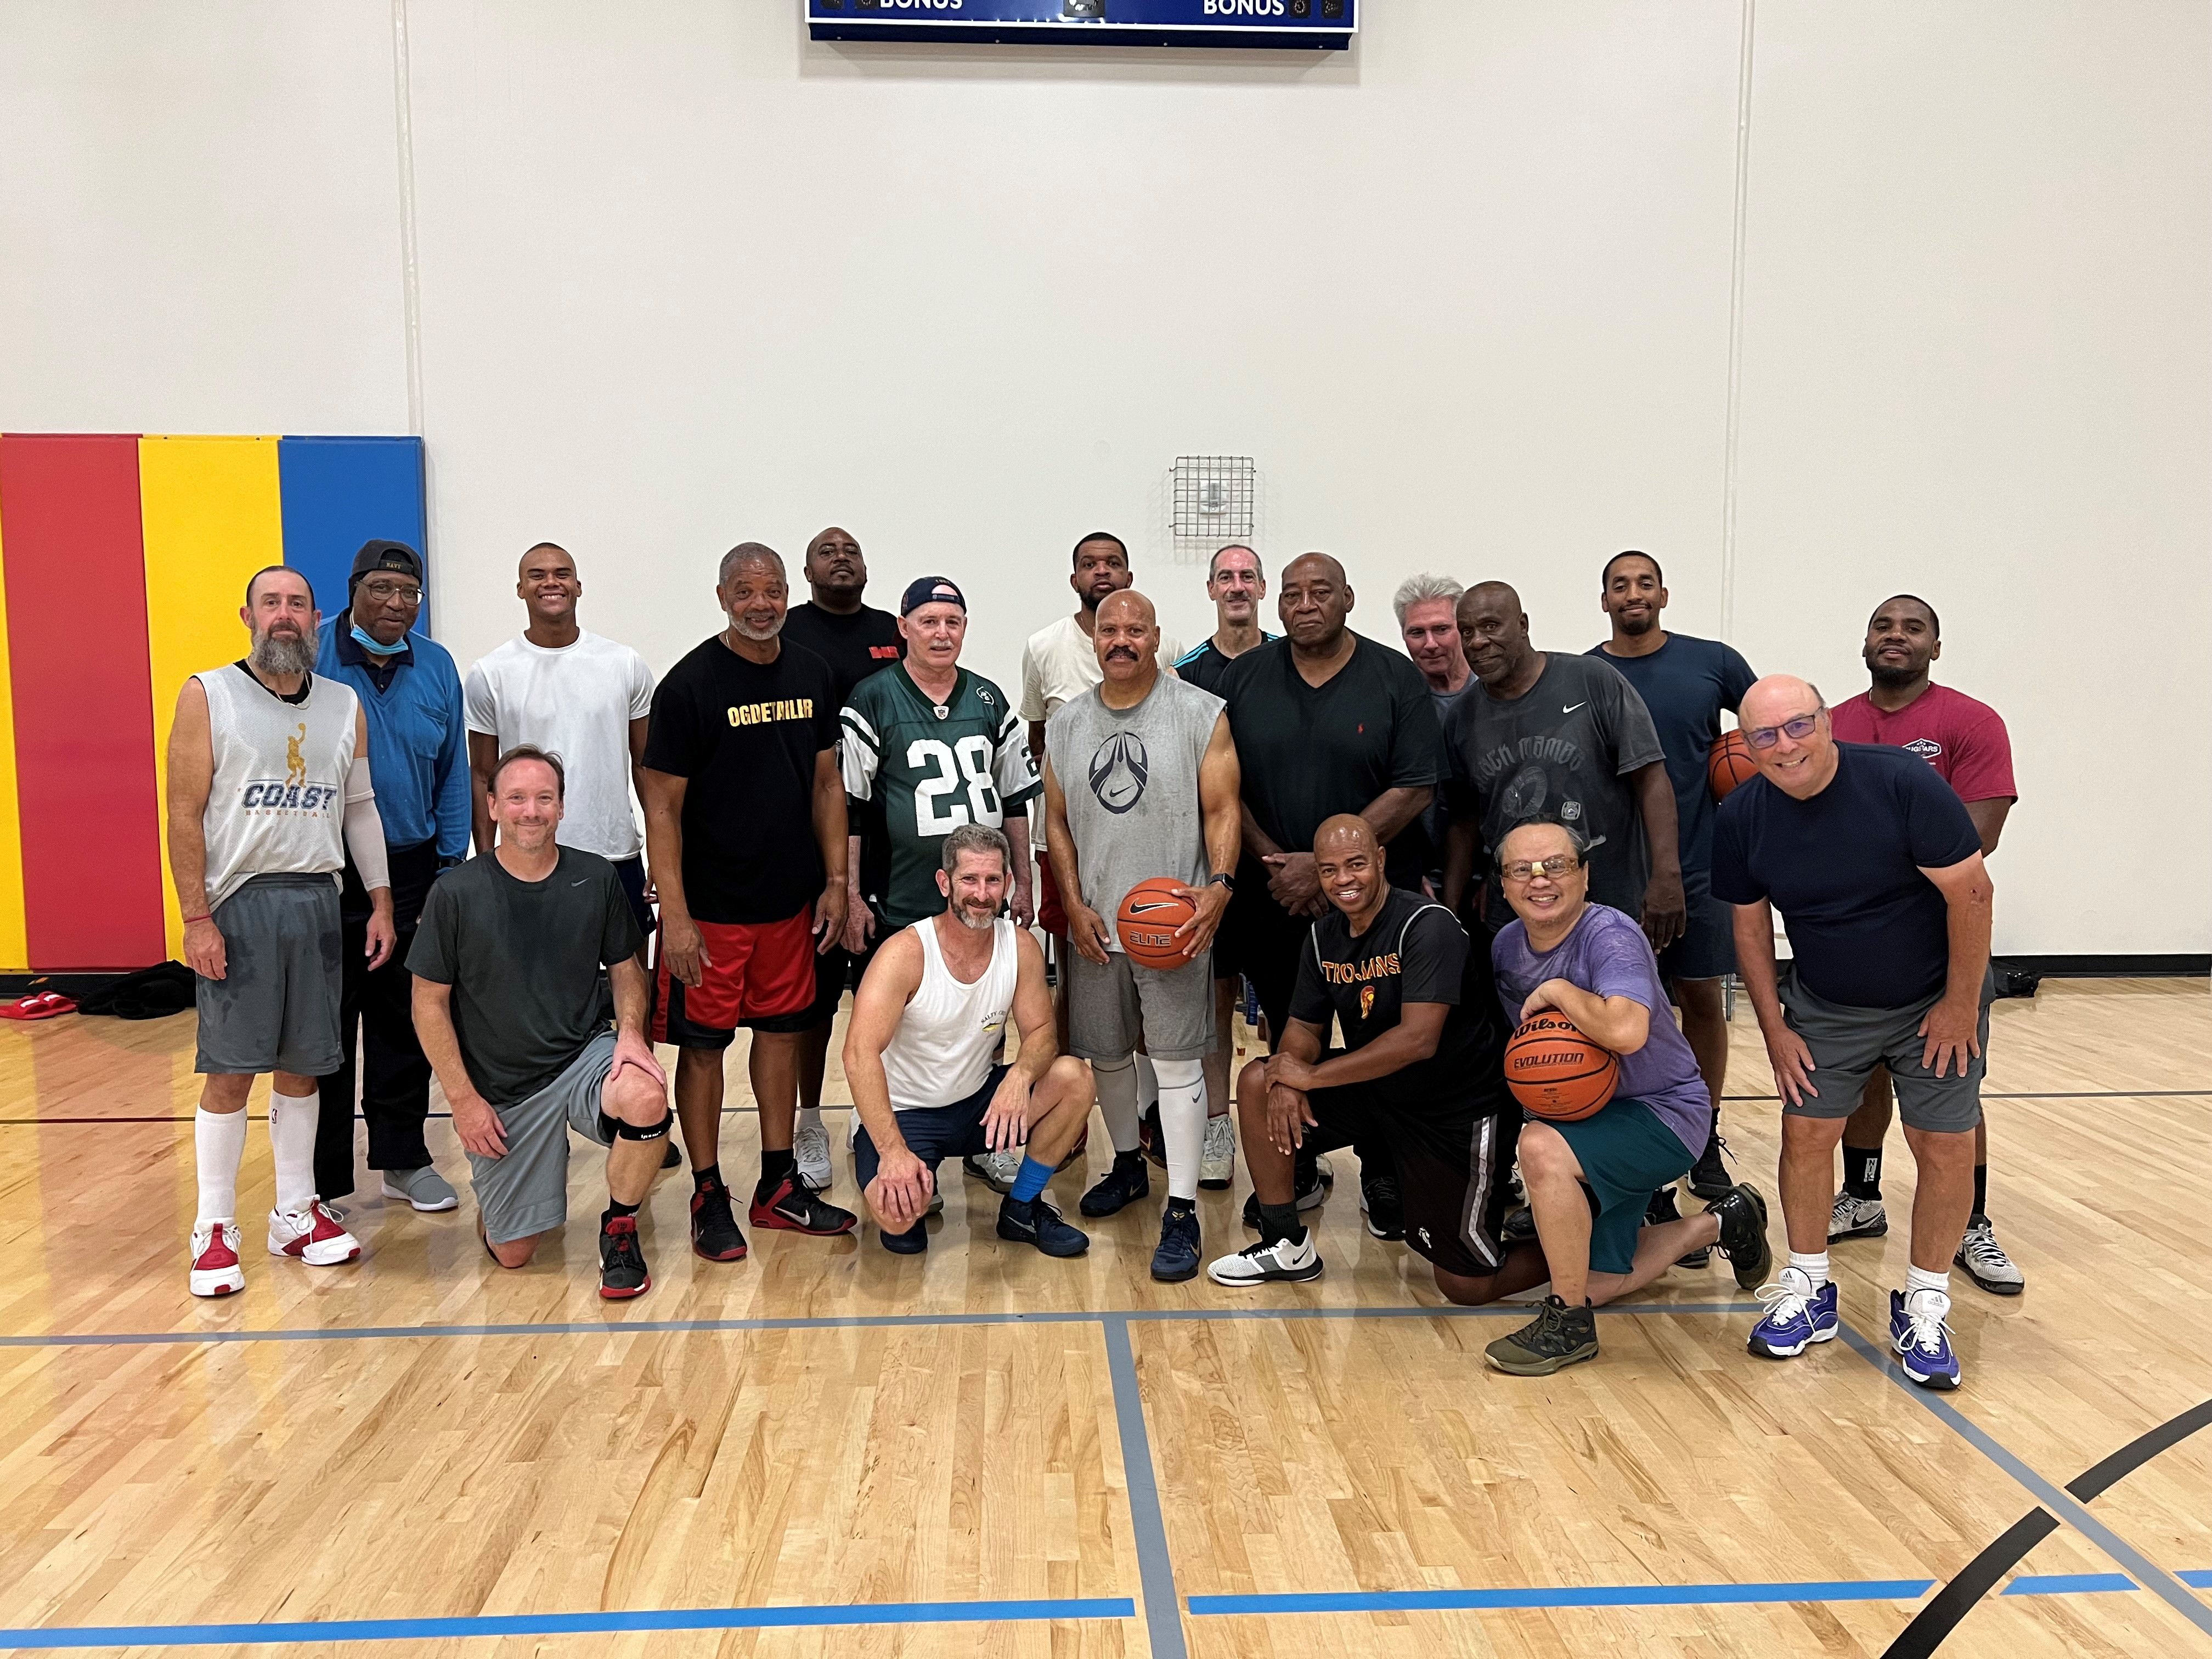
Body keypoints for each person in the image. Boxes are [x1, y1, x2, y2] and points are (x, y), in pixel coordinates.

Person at [1714, 676, 1994, 1391]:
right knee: (1806, 1133)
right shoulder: (1743, 814)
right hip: (1827, 1004)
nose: (1785, 746)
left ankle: (1925, 1302)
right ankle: (1809, 1288)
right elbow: (1749, 928)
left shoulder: (1901, 782)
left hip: (1935, 997)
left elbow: (1972, 893)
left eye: (1798, 725)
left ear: (1827, 722)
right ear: (1747, 747)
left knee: (1944, 1143)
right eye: (1765, 735)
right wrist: (1774, 1029)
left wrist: (1960, 1005)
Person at [168, 566, 393, 1296]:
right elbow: (183, 812)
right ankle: (213, 1227)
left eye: (298, 603)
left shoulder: (342, 703)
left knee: (304, 1066)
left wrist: (381, 901)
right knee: (231, 1070)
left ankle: (295, 1212)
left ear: (316, 618)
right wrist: (196, 917)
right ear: (249, 616)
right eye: (272, 603)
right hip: (240, 901)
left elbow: (359, 807)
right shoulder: (209, 694)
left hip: (318, 898)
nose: (285, 614)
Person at [1207, 817, 1543, 1305]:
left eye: (1356, 864)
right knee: (1261, 1082)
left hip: (1454, 1112)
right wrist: (1290, 1075)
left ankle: (1589, 1248)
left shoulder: (1427, 925)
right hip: (1382, 1095)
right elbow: (1303, 1028)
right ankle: (1284, 1243)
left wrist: (1312, 1076)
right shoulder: (1323, 936)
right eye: (1329, 870)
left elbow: (1417, 1040)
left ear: (1381, 861)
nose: (1344, 879)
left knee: (1466, 1285)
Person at [1481, 820, 1771, 1375]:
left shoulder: (1612, 937)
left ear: (1585, 875)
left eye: (1556, 866)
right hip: (1589, 1121)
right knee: (1595, 1282)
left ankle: (1567, 1326)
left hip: (1661, 1115)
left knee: (1539, 1148)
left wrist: (1561, 991)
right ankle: (1724, 1221)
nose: (1540, 880)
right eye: (1522, 870)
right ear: (1504, 884)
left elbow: (1626, 1032)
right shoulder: (1507, 947)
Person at [640, 541, 856, 1263]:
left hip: (789, 904)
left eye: (772, 590)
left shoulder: (813, 673)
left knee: (782, 1036)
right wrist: (675, 916)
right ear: (722, 596)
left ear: (787, 593)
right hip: (710, 912)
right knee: (704, 1050)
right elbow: (662, 809)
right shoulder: (689, 686)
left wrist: (836, 881)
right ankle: (708, 1194)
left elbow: (827, 784)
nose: (760, 604)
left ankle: (777, 1185)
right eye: (745, 591)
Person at [1216, 552, 1440, 1237]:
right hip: (1275, 896)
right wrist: (1278, 865)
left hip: (1375, 906)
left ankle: (1383, 1168)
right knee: (1291, 1029)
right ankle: (1299, 1164)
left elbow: (1414, 785)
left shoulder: (1395, 677)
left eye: (1321, 592)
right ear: (1277, 603)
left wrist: (1325, 867)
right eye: (1292, 594)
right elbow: (1224, 787)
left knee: (1381, 1037)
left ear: (1348, 598)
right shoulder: (1244, 677)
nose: (1305, 604)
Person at [409, 747, 673, 1299]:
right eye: (517, 798)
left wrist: (630, 1034)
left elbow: (627, 969)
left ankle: (620, 1228)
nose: (531, 811)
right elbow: (428, 1003)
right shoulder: (455, 892)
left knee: (646, 1096)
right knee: (514, 1254)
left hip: (582, 1056)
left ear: (561, 807)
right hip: (503, 1087)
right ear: (493, 807)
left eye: (544, 798)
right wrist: (463, 1101)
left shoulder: (595, 876)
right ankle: (510, 1201)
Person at [1826, 595, 2023, 1295]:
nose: (1896, 636)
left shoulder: (1971, 722)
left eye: (1913, 628)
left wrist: (1859, 850)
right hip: (1852, 943)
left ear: (1935, 648)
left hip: (1941, 944)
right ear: (1865, 641)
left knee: (1953, 1084)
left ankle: (1972, 1225)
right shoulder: (1833, 725)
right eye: (1883, 625)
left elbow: (1978, 836)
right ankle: (1862, 1197)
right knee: (1865, 1076)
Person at [1043, 590, 1240, 1281]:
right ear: (1094, 639)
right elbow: (1057, 820)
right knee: (1107, 1058)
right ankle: (1128, 1164)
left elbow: (1223, 808)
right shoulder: (1067, 723)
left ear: (1156, 638)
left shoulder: (1199, 712)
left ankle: (1182, 1209)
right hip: (1097, 926)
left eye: (1135, 629)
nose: (1121, 640)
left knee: (1179, 1064)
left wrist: (1219, 885)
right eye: (1109, 629)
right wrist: (1073, 902)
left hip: (1172, 925)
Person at [843, 576, 1041, 1189]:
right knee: (902, 1023)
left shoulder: (987, 697)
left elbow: (1015, 798)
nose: (941, 633)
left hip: (979, 889)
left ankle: (986, 1137)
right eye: (928, 621)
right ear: (903, 628)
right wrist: (849, 893)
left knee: (987, 1009)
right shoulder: (874, 697)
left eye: (952, 622)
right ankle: (889, 1131)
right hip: (903, 892)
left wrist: (1024, 881)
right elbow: (851, 807)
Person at [843, 825, 1098, 1258]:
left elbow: (1042, 1033)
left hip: (979, 1104)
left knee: (1075, 1078)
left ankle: (1022, 1208)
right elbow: (857, 1054)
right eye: (969, 879)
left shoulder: (1020, 947)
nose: (981, 894)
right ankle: (910, 1170)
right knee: (899, 1221)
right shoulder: (905, 953)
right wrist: (893, 1152)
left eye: (992, 880)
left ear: (1007, 884)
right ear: (945, 883)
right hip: (907, 1113)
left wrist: (1019, 1078)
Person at [1590, 550, 1757, 1201]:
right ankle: (1638, 1136)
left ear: (1664, 594)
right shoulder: (1588, 674)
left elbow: (1769, 731)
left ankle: (1702, 1134)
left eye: (1645, 583)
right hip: (1617, 875)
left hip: (1700, 869)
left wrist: (1748, 801)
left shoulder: (1714, 662)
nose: (1633, 593)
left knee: (1700, 1000)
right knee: (1629, 1012)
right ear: (1604, 600)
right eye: (1620, 585)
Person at [312, 539, 469, 1217]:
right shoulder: (312, 656)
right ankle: (320, 1181)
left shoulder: (437, 665)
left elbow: (455, 771)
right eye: (381, 588)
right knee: (323, 1026)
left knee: (405, 1020)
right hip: (324, 867)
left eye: (409, 593)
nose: (396, 604)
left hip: (412, 868)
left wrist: (448, 865)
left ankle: (404, 1159)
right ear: (353, 591)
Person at [1443, 582, 1684, 959]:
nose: (1477, 642)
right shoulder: (1462, 717)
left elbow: (1651, 778)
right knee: (1527, 1000)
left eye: (1491, 626)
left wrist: (1667, 875)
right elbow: (1465, 820)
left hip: (1608, 898)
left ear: (1523, 625)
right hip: (1518, 910)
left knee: (1615, 996)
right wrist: (1449, 910)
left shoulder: (1592, 680)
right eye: (1467, 631)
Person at [778, 524, 906, 1191]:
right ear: (807, 573)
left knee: (894, 991)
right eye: (826, 552)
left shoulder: (892, 631)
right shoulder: (787, 633)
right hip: (815, 839)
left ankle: (878, 1113)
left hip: (891, 840)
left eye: (851, 550)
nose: (841, 559)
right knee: (816, 999)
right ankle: (809, 1120)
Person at [1020, 531, 1186, 1041]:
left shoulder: (1167, 647)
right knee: (1077, 965)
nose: (1102, 572)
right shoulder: (1044, 647)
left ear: (1129, 576)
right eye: (1090, 564)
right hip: (1067, 837)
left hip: (1146, 836)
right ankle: (1073, 1072)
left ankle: (1151, 1080)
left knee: (1151, 960)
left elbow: (1176, 733)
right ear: (1074, 579)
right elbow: (1040, 738)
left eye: (1113, 563)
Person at [462, 543, 656, 938]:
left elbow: (646, 766)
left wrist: (661, 854)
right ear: (520, 589)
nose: (551, 582)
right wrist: (486, 864)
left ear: (578, 586)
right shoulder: (491, 673)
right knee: (534, 971)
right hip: (528, 857)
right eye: (537, 575)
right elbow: (482, 774)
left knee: (630, 971)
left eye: (562, 574)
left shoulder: (624, 663)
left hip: (615, 852)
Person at [1163, 543, 1273, 1189]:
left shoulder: (1291, 657)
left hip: (1282, 864)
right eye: (1225, 577)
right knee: (1215, 996)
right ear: (1210, 590)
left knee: (1288, 1000)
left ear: (1262, 588)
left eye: (1246, 577)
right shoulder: (1185, 674)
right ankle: (1216, 1126)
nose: (1236, 586)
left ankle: (1290, 1122)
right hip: (1213, 866)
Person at [1393, 572, 1473, 895]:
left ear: (1463, 628)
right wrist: (1405, 870)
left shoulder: (1496, 693)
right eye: (1417, 632)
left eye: (1441, 629)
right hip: (1416, 878)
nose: (1430, 644)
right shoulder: (1391, 701)